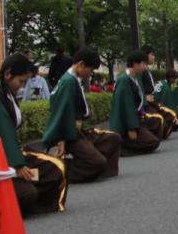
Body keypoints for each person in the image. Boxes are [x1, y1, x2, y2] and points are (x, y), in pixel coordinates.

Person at [0, 53, 69, 216]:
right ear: (8, 74)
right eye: (21, 81)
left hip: (10, 155)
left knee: (55, 169)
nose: (22, 86)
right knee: (29, 192)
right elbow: (2, 133)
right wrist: (17, 164)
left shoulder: (3, 92)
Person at [42, 48, 121, 182]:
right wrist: (61, 140)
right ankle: (58, 170)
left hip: (78, 131)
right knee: (98, 162)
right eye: (90, 70)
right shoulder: (68, 82)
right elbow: (61, 111)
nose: (90, 74)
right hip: (69, 135)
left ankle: (104, 171)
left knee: (114, 138)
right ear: (81, 64)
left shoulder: (71, 79)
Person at [111, 51, 162, 154]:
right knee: (152, 142)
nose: (145, 67)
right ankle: (121, 146)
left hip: (136, 118)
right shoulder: (124, 80)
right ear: (135, 64)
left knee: (156, 122)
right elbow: (127, 105)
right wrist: (131, 128)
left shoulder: (132, 77)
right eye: (143, 64)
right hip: (124, 126)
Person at [138, 46, 178, 138]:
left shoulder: (146, 69)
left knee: (171, 116)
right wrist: (145, 98)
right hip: (145, 104)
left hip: (151, 102)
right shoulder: (141, 70)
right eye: (152, 55)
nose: (154, 57)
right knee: (163, 118)